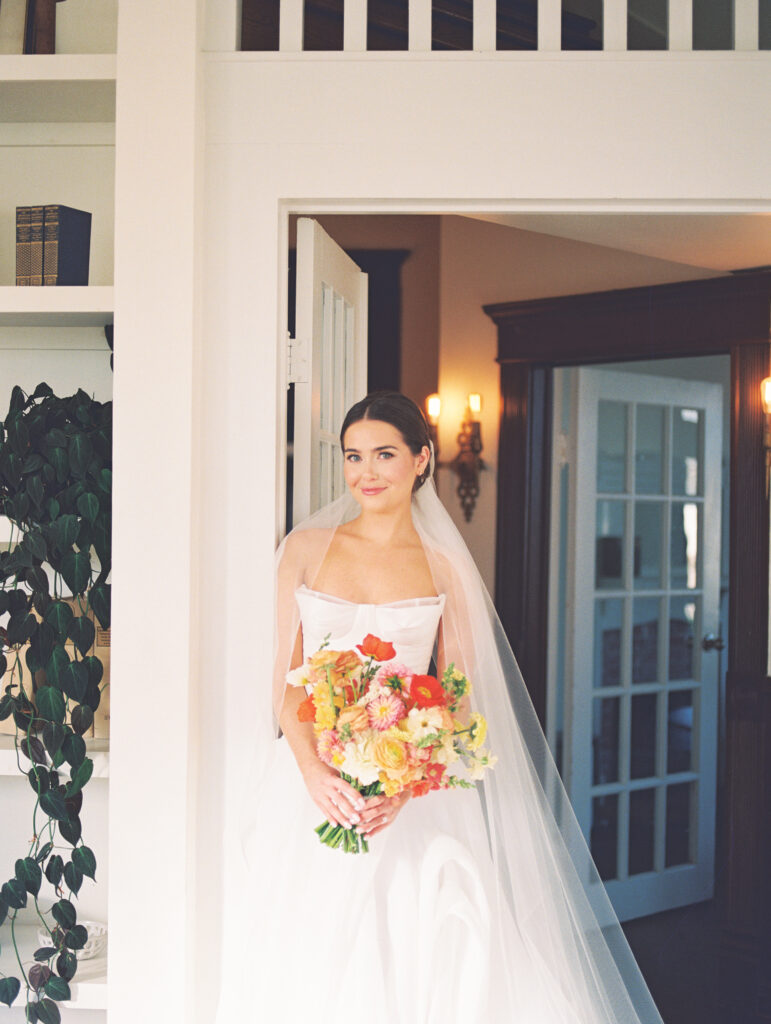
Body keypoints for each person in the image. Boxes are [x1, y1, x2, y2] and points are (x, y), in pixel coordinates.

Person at [217, 391, 663, 1023]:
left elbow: (455, 697)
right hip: (309, 787)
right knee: (306, 956)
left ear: (421, 459)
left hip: (410, 797)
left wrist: (402, 785)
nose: (365, 472)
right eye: (353, 456)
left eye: (384, 454)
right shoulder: (304, 550)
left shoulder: (445, 566)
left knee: (418, 951)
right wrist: (314, 772)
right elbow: (287, 686)